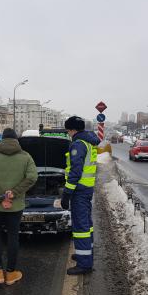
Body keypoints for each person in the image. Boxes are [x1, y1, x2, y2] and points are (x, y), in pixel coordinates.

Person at [0, 128, 38, 285]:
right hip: (16, 205)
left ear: (2, 140)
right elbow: (32, 177)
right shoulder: (26, 157)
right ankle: (11, 273)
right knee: (13, 236)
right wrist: (13, 193)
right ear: (16, 140)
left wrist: (1, 197)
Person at [61, 116, 100, 275]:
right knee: (87, 223)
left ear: (72, 130)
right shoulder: (89, 141)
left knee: (81, 225)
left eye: (68, 131)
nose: (68, 134)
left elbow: (75, 172)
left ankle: (84, 264)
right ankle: (86, 253)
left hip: (79, 189)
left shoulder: (78, 144)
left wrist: (67, 193)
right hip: (86, 188)